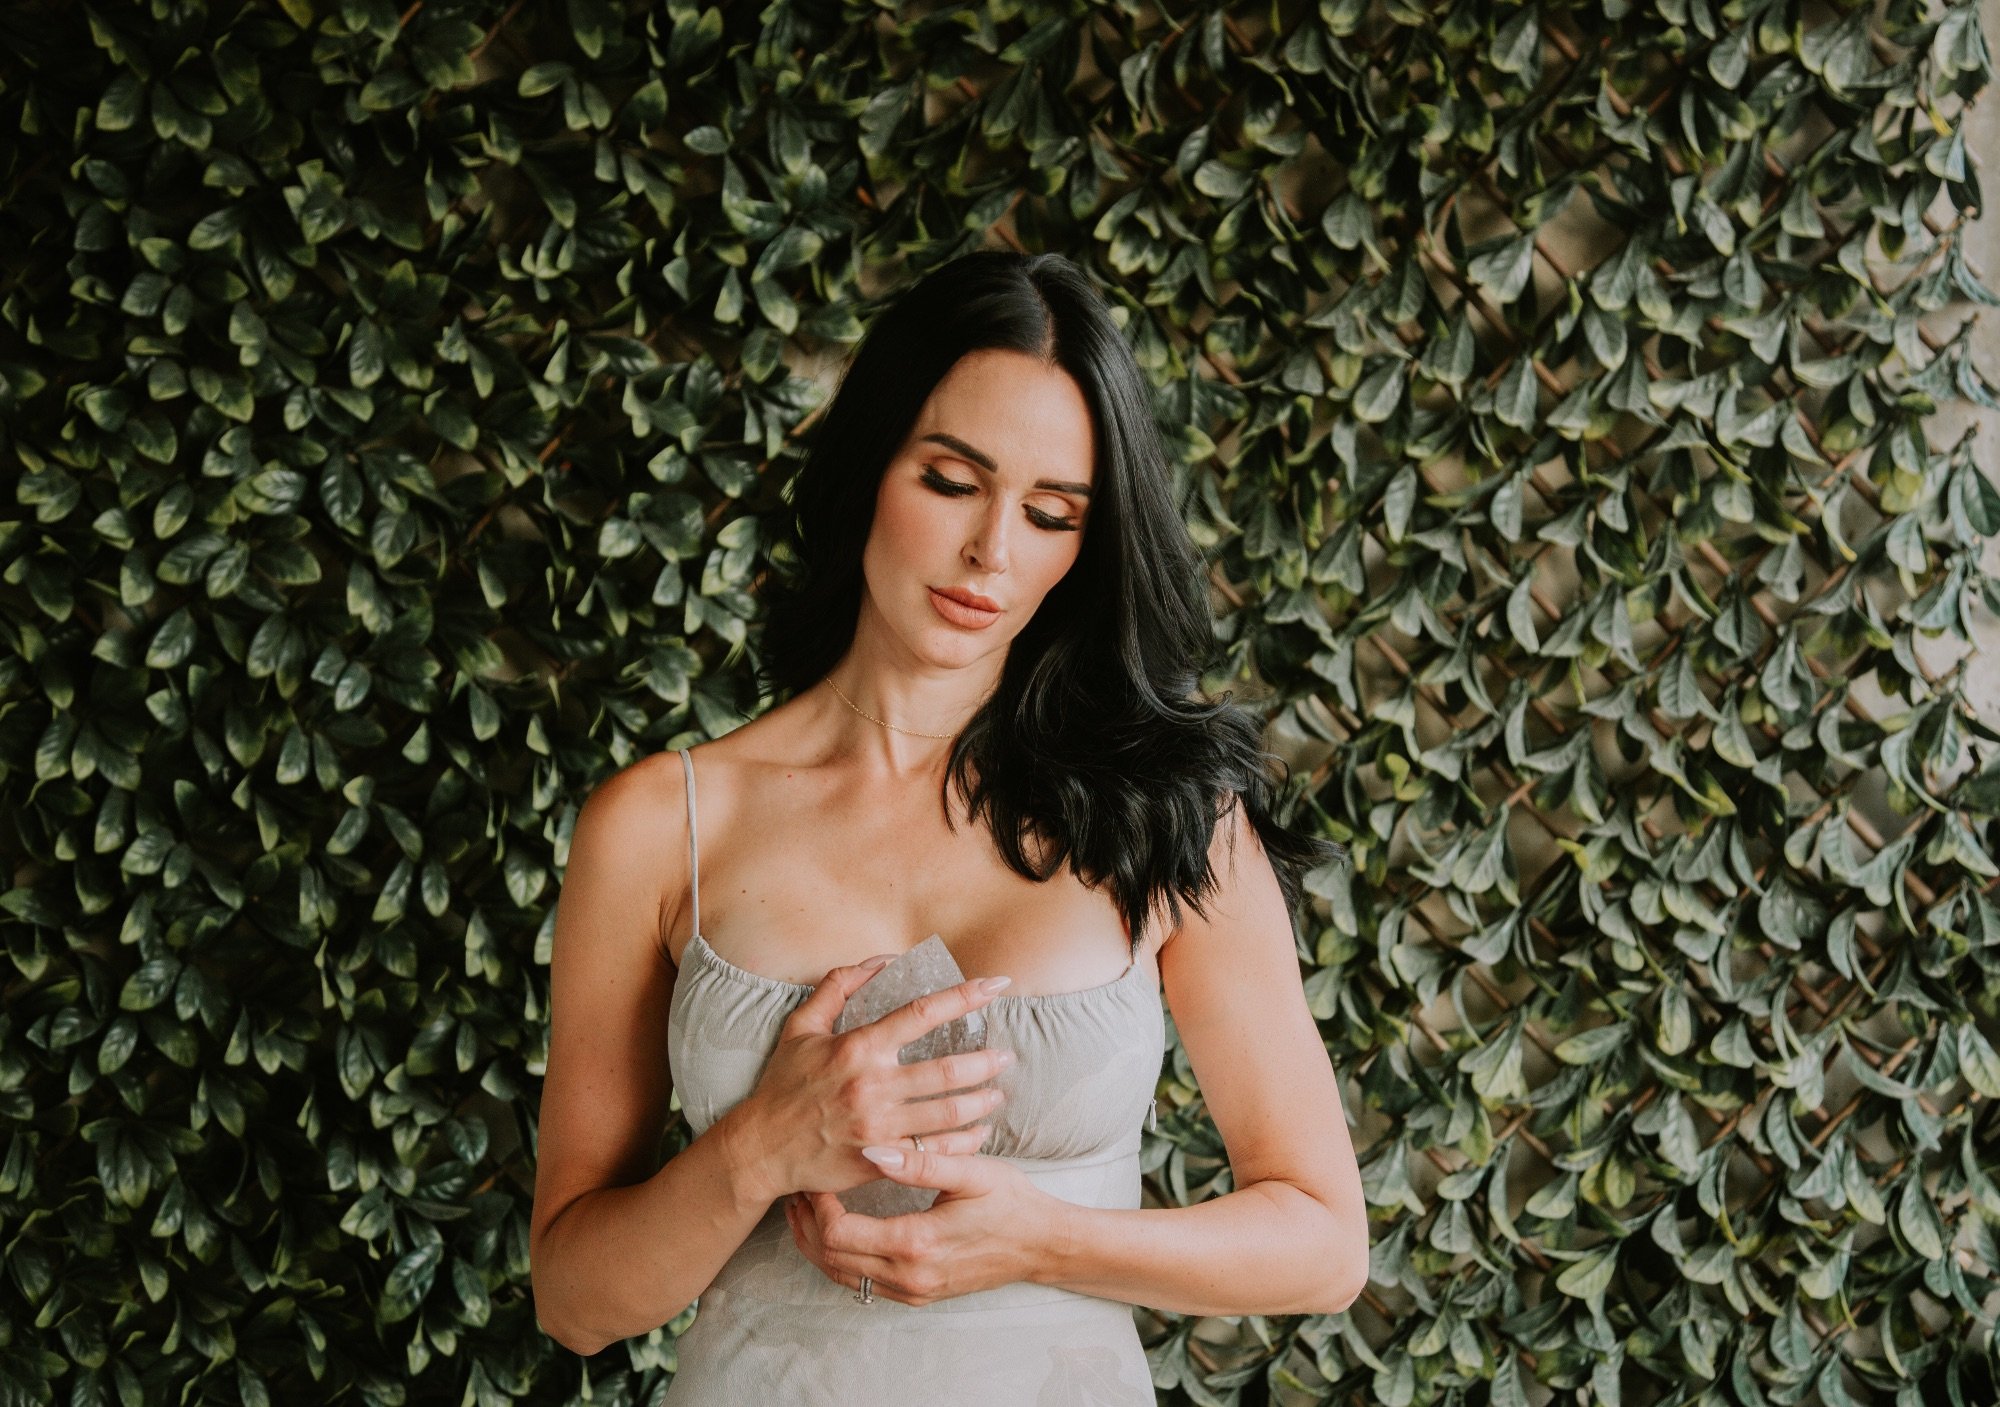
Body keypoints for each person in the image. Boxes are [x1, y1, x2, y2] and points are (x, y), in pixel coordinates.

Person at [527, 250, 1368, 1403]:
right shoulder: (659, 824)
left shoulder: (1164, 816)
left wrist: (1039, 1240)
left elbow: (1322, 1244)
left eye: (1051, 513)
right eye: (950, 481)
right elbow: (574, 1303)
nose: (992, 553)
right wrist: (757, 1148)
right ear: (869, 464)